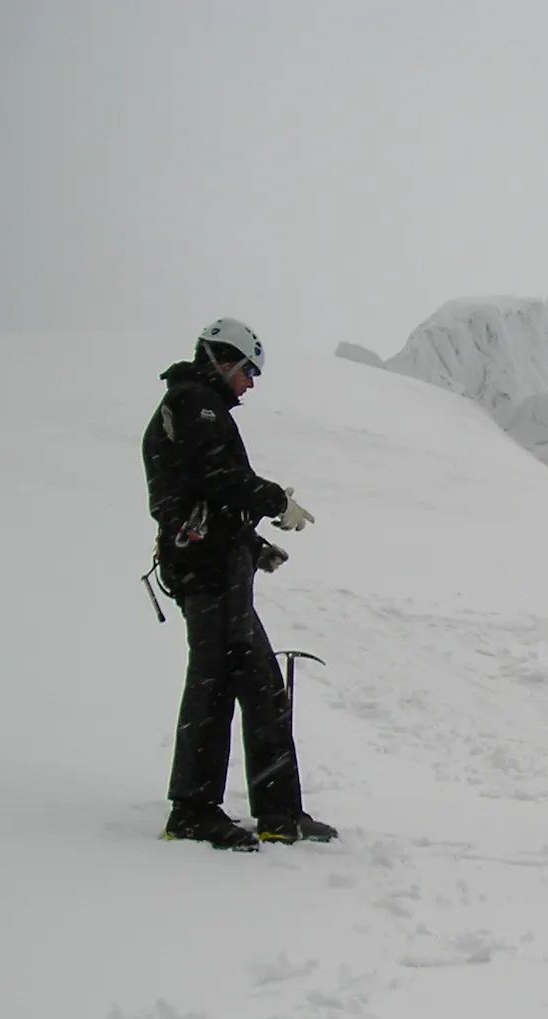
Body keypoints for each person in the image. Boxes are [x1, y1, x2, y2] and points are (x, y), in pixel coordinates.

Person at [143, 318, 338, 850]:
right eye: (247, 370)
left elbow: (207, 501)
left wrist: (253, 549)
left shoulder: (199, 409)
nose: (250, 383)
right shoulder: (192, 404)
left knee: (260, 685)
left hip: (220, 568)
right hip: (205, 574)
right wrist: (275, 502)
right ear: (221, 359)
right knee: (213, 684)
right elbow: (215, 479)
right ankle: (191, 810)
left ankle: (278, 813)